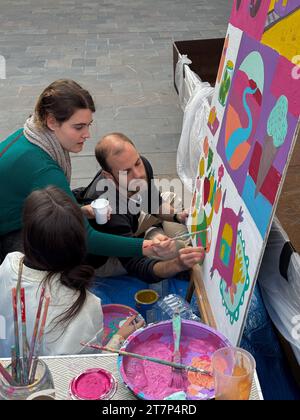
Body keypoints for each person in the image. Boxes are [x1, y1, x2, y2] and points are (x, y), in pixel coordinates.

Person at [0, 79, 177, 265]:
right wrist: (147, 246)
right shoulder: (43, 168)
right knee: (67, 256)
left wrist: (81, 210)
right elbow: (86, 238)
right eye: (78, 127)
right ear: (51, 121)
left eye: (88, 125)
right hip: (8, 238)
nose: (87, 134)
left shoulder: (31, 134)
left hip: (17, 221)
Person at [0, 186, 144, 357]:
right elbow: (84, 369)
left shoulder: (10, 262)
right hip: (46, 381)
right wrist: (119, 338)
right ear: (81, 243)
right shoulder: (84, 306)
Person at [74, 133, 205, 282]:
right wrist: (177, 264)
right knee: (176, 250)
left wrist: (177, 216)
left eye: (137, 163)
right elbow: (138, 266)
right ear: (108, 176)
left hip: (130, 222)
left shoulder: (141, 166)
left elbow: (153, 201)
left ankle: (159, 235)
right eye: (126, 172)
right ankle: (168, 244)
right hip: (106, 259)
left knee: (171, 199)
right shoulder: (108, 211)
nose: (138, 174)